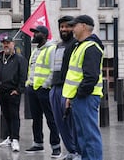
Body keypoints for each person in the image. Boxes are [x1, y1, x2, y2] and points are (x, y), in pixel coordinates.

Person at [63, 15, 104, 160]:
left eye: (75, 25)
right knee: (82, 135)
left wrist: (79, 94)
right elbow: (76, 76)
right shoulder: (80, 46)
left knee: (89, 135)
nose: (72, 29)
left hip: (86, 97)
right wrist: (70, 97)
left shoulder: (91, 47)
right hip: (79, 98)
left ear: (84, 26)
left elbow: (91, 77)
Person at [25, 25, 61, 158]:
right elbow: (32, 69)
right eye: (34, 33)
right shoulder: (36, 51)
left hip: (45, 90)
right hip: (33, 89)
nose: (34, 35)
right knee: (36, 119)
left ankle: (56, 146)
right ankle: (38, 143)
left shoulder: (52, 49)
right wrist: (29, 83)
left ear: (44, 35)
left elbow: (53, 70)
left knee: (51, 119)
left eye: (36, 33)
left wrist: (45, 85)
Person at [49, 16, 81, 160]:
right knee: (60, 123)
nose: (64, 29)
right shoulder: (59, 45)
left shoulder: (75, 45)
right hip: (55, 88)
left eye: (67, 26)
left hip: (67, 89)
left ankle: (77, 151)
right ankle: (70, 151)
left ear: (73, 28)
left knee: (71, 122)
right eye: (61, 26)